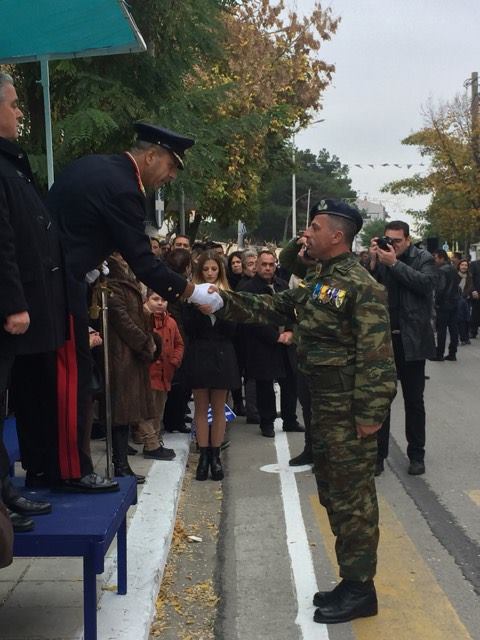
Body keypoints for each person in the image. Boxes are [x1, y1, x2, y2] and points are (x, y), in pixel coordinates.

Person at [199, 199, 396, 623]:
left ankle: (362, 589)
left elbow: (378, 359)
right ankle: (352, 580)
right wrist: (222, 302)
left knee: (354, 500)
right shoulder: (322, 279)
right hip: (324, 410)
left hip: (348, 413)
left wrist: (369, 417)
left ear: (337, 236)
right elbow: (276, 306)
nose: (307, 233)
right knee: (333, 495)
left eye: (314, 227)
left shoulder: (362, 286)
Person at [46, 122, 221, 491]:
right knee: (70, 380)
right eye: (171, 166)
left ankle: (49, 465)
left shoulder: (95, 166)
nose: (170, 176)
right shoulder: (125, 189)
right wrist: (191, 292)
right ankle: (70, 470)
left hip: (59, 277)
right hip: (59, 286)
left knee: (62, 379)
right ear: (151, 155)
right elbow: (142, 260)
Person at [0, 72, 63, 527]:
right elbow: (1, 241)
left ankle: (4, 492)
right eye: (14, 103)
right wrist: (11, 302)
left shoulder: (11, 164)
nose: (21, 112)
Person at [369, 220, 436, 477]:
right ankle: (378, 455)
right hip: (384, 340)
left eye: (396, 241)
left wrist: (394, 264)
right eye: (388, 240)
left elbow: (425, 285)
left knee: (414, 401)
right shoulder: (382, 259)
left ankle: (416, 455)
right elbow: (368, 289)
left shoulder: (423, 258)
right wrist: (374, 263)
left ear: (407, 240)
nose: (392, 245)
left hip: (412, 340)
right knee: (381, 400)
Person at [184, 252, 240, 481]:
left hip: (222, 353)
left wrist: (218, 308)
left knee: (219, 408)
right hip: (199, 352)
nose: (209, 273)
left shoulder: (228, 295)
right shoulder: (191, 295)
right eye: (206, 269)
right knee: (200, 407)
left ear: (220, 270)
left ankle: (215, 456)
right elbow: (188, 327)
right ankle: (203, 455)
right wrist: (199, 309)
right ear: (200, 271)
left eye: (213, 269)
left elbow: (234, 330)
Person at [237, 249, 302, 438]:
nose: (267, 268)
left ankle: (290, 420)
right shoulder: (249, 289)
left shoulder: (282, 285)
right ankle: (267, 423)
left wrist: (290, 330)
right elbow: (252, 319)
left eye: (271, 264)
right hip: (263, 344)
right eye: (263, 264)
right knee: (265, 386)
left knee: (290, 382)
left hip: (287, 342)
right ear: (256, 265)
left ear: (276, 266)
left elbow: (292, 311)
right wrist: (274, 337)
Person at [134, 290, 184, 460]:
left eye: (163, 299)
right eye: (155, 299)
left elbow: (179, 344)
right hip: (148, 373)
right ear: (147, 300)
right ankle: (151, 442)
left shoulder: (171, 322)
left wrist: (175, 360)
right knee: (146, 410)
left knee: (158, 409)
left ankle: (154, 438)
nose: (160, 303)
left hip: (165, 373)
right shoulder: (141, 320)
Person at [432, 249, 460, 361]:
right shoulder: (453, 268)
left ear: (442, 258)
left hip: (444, 303)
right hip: (454, 301)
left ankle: (439, 354)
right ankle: (452, 353)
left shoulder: (442, 270)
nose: (435, 260)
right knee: (453, 328)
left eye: (436, 258)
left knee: (442, 330)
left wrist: (437, 302)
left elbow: (441, 288)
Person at [457, 259, 473, 345]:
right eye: (462, 265)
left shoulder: (469, 276)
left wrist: (465, 295)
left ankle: (466, 337)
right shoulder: (455, 275)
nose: (464, 267)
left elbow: (470, 287)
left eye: (466, 265)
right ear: (459, 266)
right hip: (457, 300)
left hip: (466, 300)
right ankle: (462, 337)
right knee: (460, 319)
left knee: (467, 319)